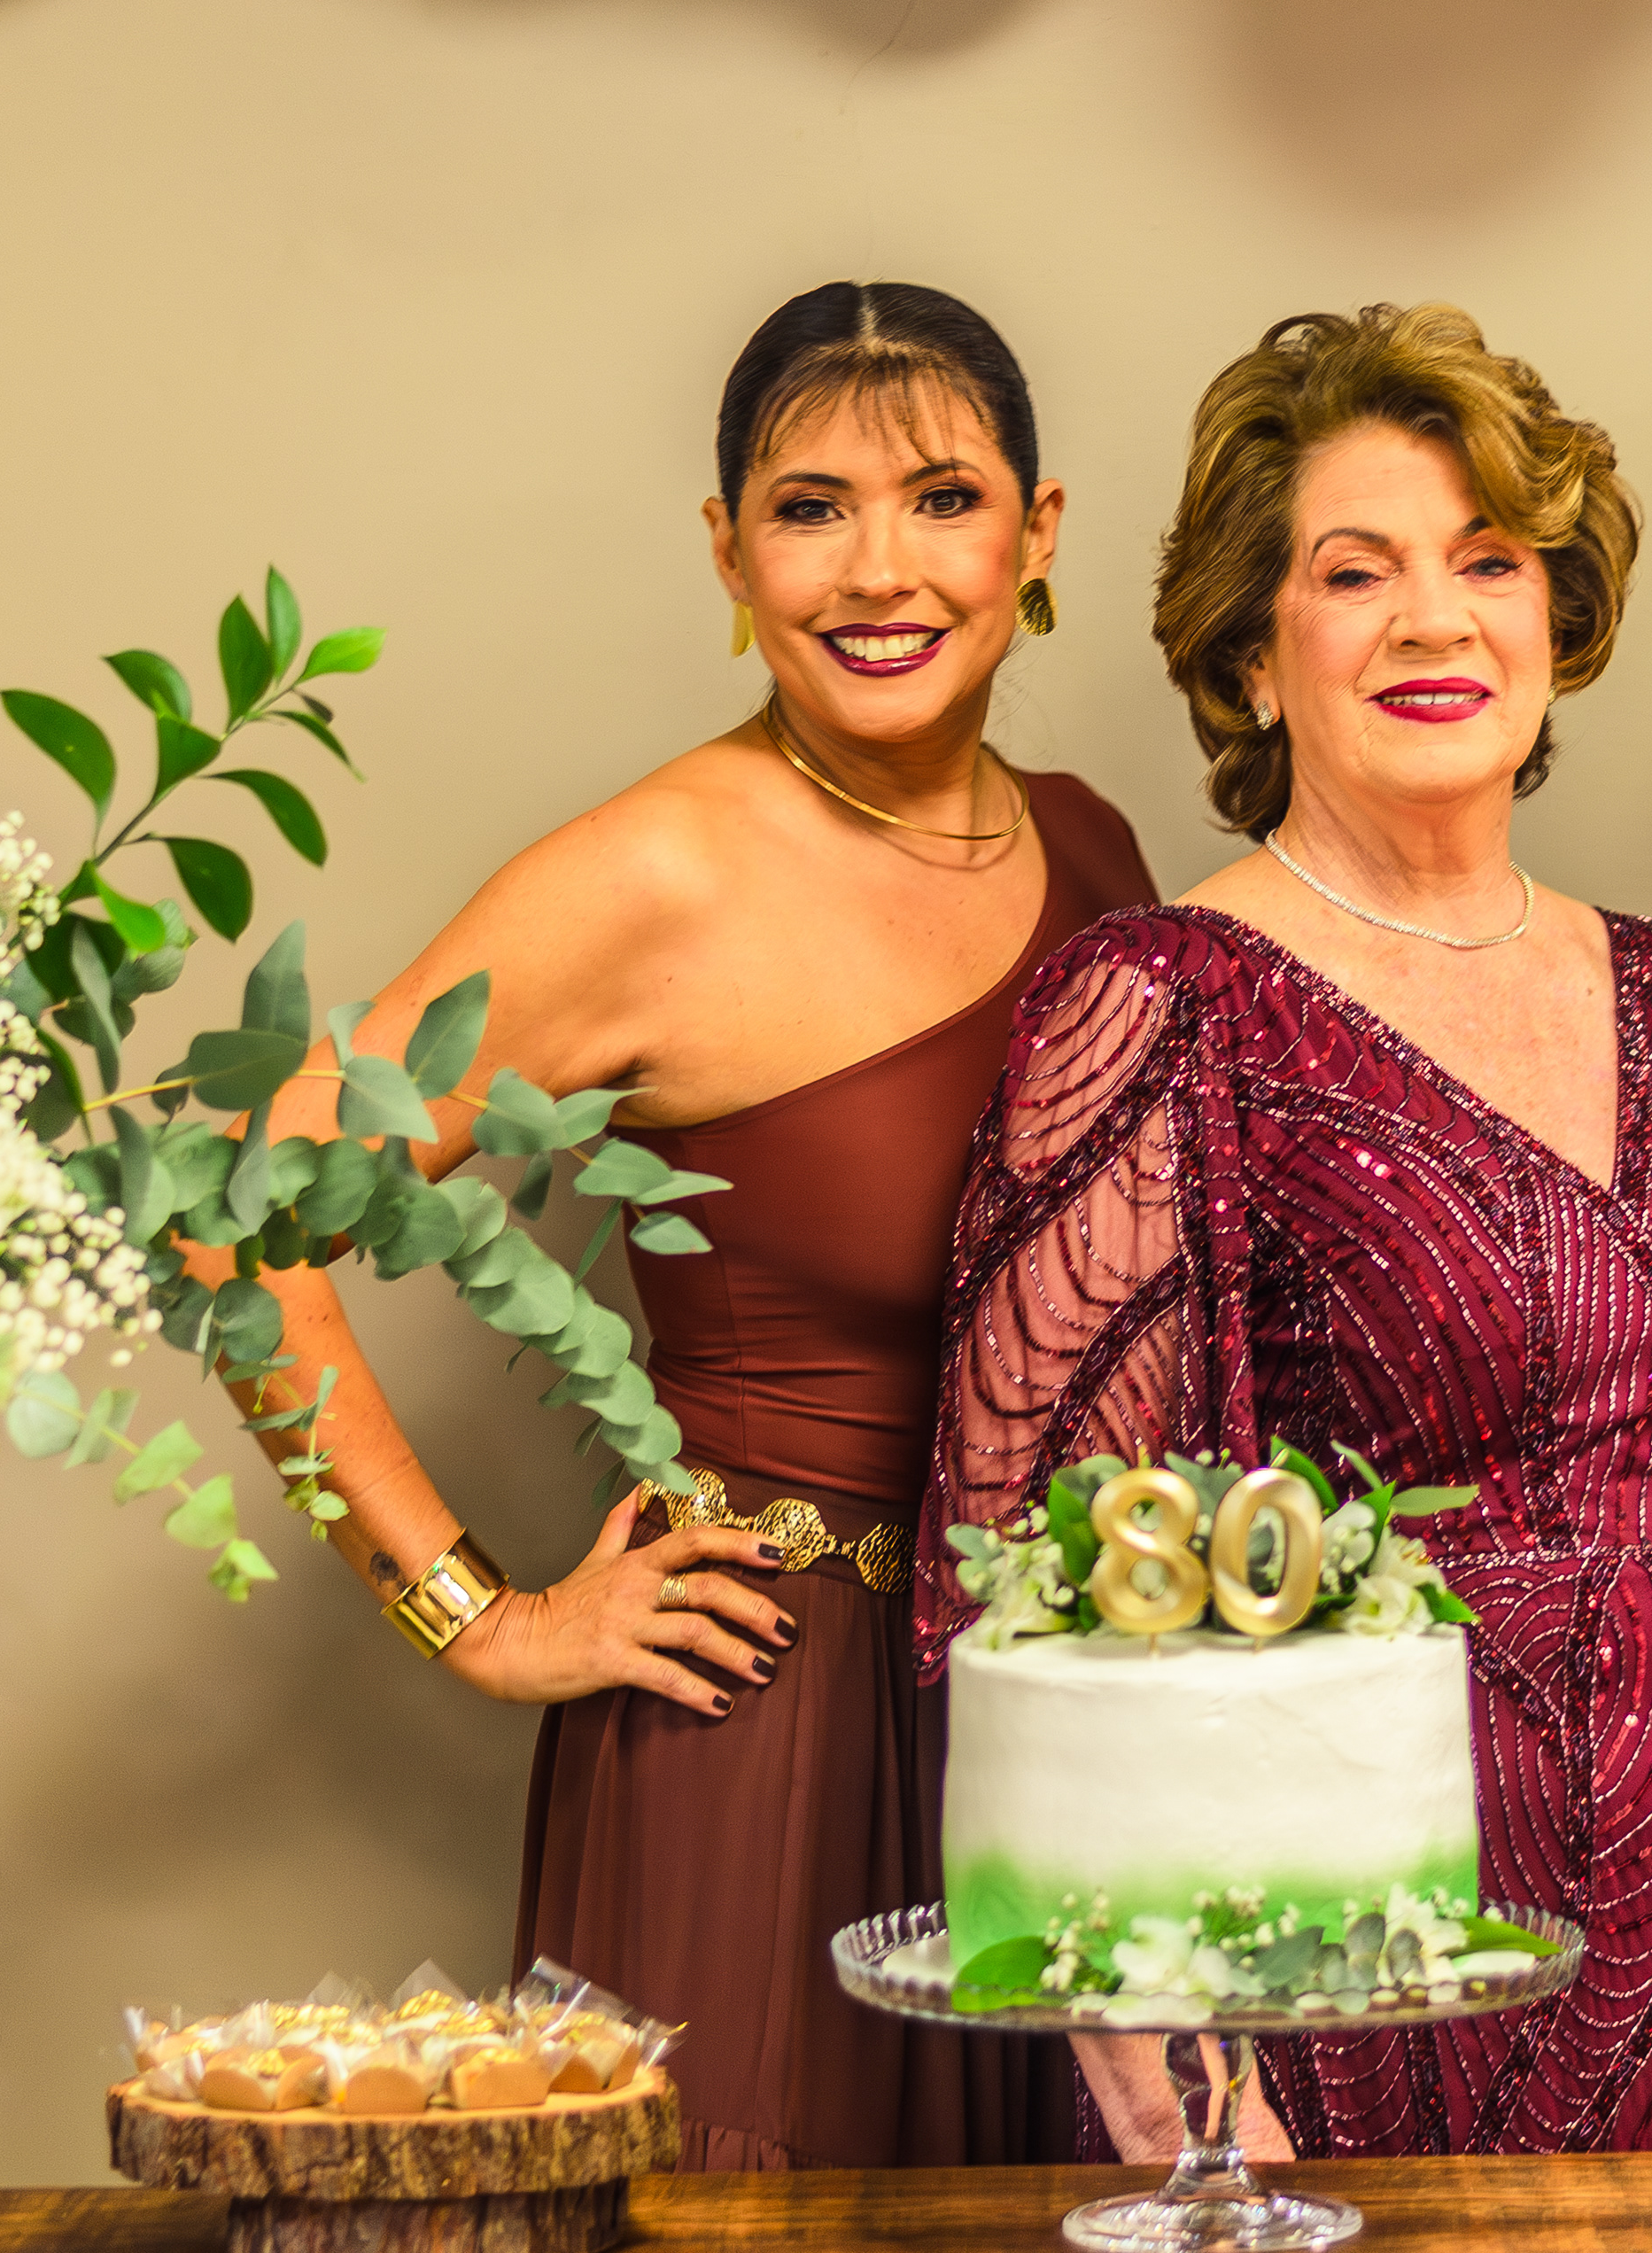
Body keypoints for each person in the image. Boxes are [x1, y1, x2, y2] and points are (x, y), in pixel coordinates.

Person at [213, 281, 1156, 2169]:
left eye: (943, 500)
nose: (878, 569)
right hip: (766, 1730)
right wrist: (480, 1616)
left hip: (1047, 1725)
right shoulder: (651, 877)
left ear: (1038, 533)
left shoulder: (1093, 846)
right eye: (811, 510)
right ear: (729, 552)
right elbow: (241, 1230)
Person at [919, 303, 1652, 2162]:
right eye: (1358, 573)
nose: (1437, 619)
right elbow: (1031, 1603)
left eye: (1489, 561)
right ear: (1254, 658)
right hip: (1354, 1984)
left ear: (1555, 624)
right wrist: (1183, 2105)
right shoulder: (1159, 1006)